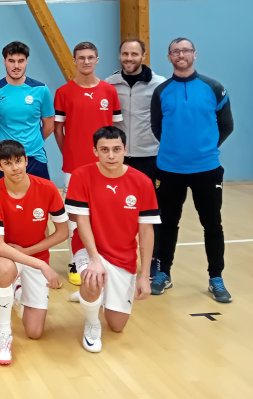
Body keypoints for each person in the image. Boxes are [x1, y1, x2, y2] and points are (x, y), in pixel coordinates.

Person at [150, 37, 234, 303]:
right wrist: (177, 149)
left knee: (212, 224)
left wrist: (204, 148)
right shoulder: (161, 91)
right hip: (168, 170)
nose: (180, 55)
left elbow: (227, 125)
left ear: (194, 54)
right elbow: (156, 127)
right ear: (169, 57)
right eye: (175, 51)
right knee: (167, 224)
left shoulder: (214, 88)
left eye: (185, 50)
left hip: (207, 169)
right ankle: (163, 273)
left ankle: (216, 278)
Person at [64, 126, 159, 353]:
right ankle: (92, 322)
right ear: (95, 151)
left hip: (123, 257)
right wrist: (94, 259)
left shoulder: (142, 182)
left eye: (116, 149)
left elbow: (146, 231)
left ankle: (93, 294)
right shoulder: (81, 175)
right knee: (92, 277)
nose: (111, 155)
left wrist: (144, 276)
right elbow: (81, 221)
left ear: (125, 149)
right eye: (104, 149)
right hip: (89, 248)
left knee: (117, 326)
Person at [0, 140, 68, 365]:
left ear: (27, 160)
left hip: (33, 254)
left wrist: (29, 254)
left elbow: (63, 232)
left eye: (18, 161)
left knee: (34, 332)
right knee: (6, 269)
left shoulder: (47, 188)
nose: (15, 168)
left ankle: (18, 292)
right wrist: (41, 265)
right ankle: (4, 334)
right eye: (8, 163)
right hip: (6, 256)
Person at [54, 41, 122, 286]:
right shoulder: (63, 92)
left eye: (90, 57)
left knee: (104, 215)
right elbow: (58, 130)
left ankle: (103, 259)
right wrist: (69, 153)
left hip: (106, 168)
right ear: (74, 61)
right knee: (75, 216)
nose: (85, 61)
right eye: (81, 57)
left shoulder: (109, 91)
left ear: (97, 60)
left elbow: (116, 129)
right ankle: (76, 261)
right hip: (74, 167)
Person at [105, 38, 166, 277]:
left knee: (151, 213)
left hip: (150, 157)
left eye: (134, 54)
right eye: (125, 54)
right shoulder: (110, 84)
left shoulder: (159, 84)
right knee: (117, 211)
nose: (129, 58)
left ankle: (154, 260)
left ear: (143, 55)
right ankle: (116, 259)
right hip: (119, 159)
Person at [0, 41, 54, 181]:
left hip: (35, 157)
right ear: (4, 61)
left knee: (40, 195)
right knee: (6, 196)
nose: (16, 66)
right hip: (5, 159)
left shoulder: (41, 90)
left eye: (21, 61)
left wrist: (32, 142)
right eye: (11, 61)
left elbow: (49, 124)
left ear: (27, 61)